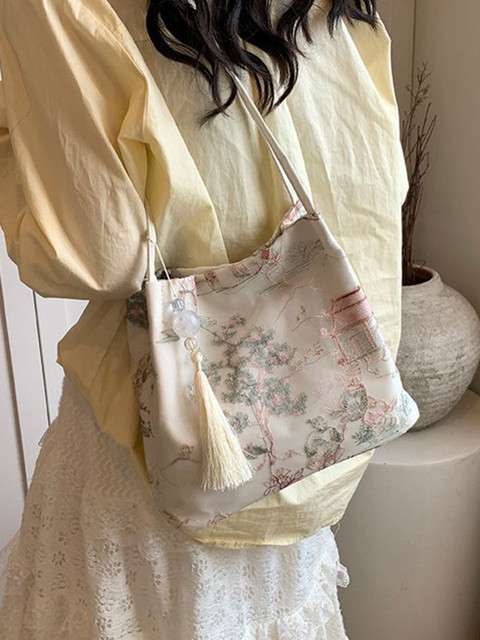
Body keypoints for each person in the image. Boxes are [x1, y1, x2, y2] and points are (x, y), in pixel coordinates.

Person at [0, 0, 408, 637]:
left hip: (151, 465)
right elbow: (378, 196)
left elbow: (95, 253)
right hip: (307, 441)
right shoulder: (344, 14)